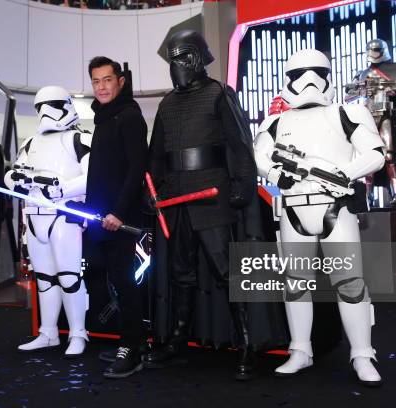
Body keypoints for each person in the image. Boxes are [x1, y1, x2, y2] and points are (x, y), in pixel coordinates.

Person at [254, 49, 385, 387]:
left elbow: (375, 153)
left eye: (316, 72)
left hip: (334, 207)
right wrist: (274, 173)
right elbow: (256, 156)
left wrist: (344, 173)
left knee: (350, 283)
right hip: (293, 208)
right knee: (295, 283)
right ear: (288, 79)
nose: (308, 81)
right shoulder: (276, 121)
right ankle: (300, 350)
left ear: (328, 75)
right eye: (300, 74)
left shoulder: (346, 112)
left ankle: (362, 353)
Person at [145, 30, 264, 381]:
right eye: (172, 60)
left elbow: (240, 145)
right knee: (180, 273)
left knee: (227, 271)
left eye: (181, 58)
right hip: (175, 197)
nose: (176, 66)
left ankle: (246, 342)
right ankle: (178, 338)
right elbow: (156, 155)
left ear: (196, 58)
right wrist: (150, 192)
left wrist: (243, 185)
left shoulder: (218, 94)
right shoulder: (167, 103)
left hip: (211, 194)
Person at [4, 85, 91, 357]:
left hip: (64, 216)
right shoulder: (30, 143)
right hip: (34, 216)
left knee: (69, 277)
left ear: (66, 105)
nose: (46, 112)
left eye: (53, 104)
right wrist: (15, 180)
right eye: (41, 106)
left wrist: (62, 188)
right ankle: (48, 332)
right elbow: (13, 174)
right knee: (44, 279)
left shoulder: (80, 139)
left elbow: (92, 176)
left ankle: (78, 333)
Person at [84, 56, 148, 379]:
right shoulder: (102, 117)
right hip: (98, 218)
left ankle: (132, 347)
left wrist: (118, 213)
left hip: (119, 218)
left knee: (124, 281)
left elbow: (137, 168)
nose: (101, 87)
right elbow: (100, 172)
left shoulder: (130, 116)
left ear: (120, 81)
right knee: (99, 275)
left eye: (107, 80)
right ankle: (129, 338)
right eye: (96, 81)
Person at [345, 39, 396, 207]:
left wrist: (391, 87)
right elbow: (349, 96)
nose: (374, 53)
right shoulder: (363, 73)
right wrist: (362, 89)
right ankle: (369, 195)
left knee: (390, 156)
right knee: (370, 155)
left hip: (387, 114)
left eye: (377, 50)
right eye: (371, 50)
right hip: (368, 116)